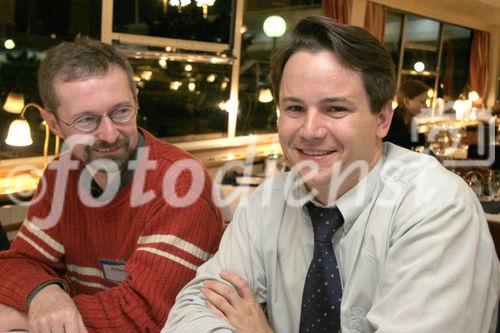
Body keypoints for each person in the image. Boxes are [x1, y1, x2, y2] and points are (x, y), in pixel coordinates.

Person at [163, 16, 499, 333]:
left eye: (335, 109)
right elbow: (192, 310)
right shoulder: (266, 205)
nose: (310, 130)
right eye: (294, 108)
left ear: (382, 119)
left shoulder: (435, 208)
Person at [0, 37, 224, 332]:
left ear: (136, 100)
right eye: (87, 120)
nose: (108, 134)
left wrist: (25, 318)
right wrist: (43, 294)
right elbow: (17, 263)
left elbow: (142, 316)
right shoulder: (61, 174)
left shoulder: (182, 185)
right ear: (53, 124)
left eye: (121, 111)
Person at [384, 80, 429, 149]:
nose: (426, 106)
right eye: (422, 102)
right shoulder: (392, 121)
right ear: (407, 102)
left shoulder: (407, 121)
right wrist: (424, 138)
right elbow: (396, 141)